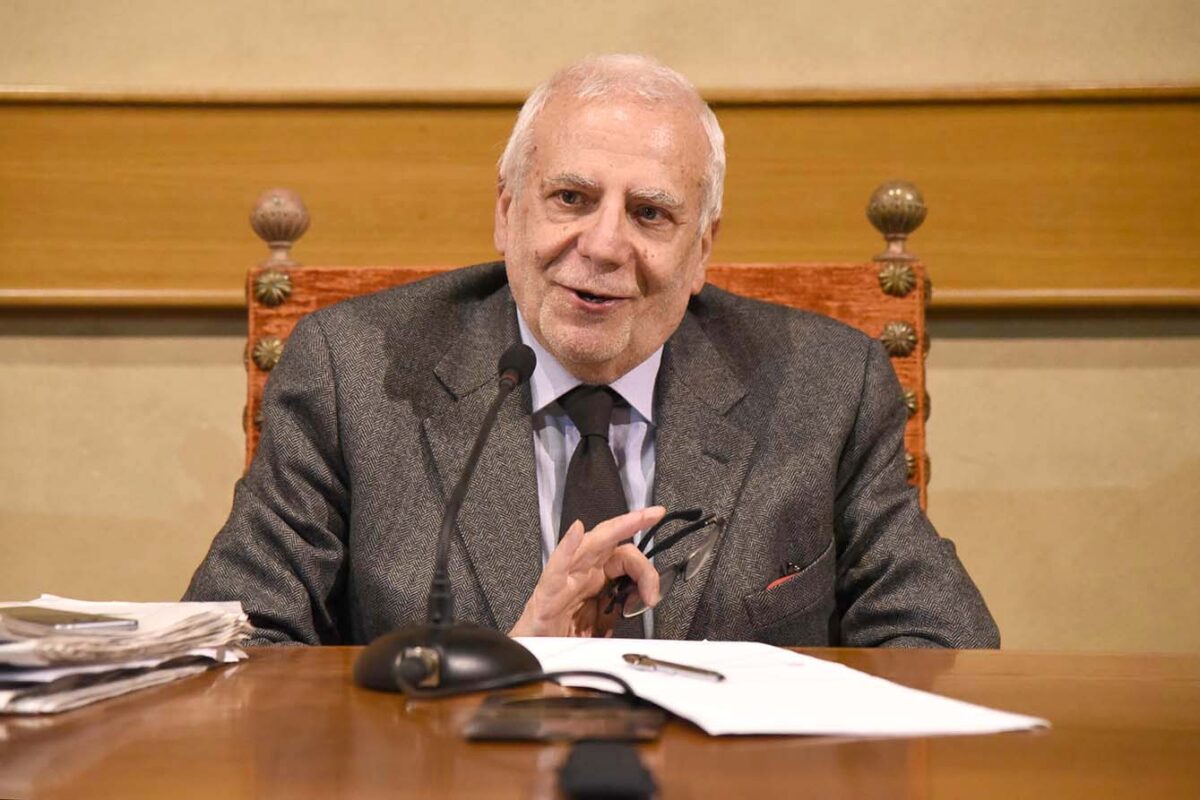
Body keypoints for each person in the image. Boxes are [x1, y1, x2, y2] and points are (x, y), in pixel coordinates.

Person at [185, 54, 999, 648]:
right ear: (507, 214)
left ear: (702, 249)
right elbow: (240, 652)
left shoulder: (825, 387)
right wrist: (505, 671)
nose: (604, 246)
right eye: (571, 198)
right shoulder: (353, 372)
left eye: (650, 214)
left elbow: (943, 645)